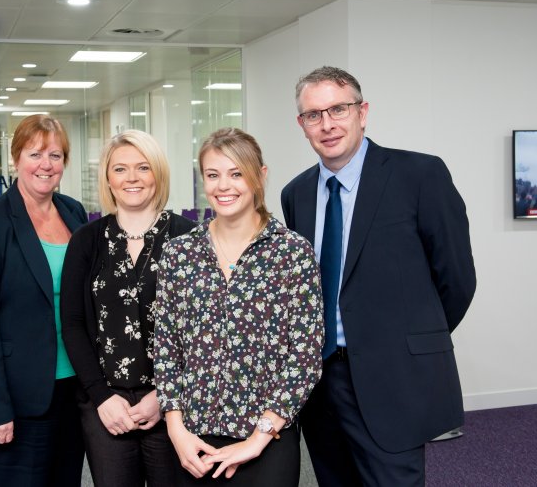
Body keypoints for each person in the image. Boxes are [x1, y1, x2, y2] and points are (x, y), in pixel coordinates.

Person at [281, 66, 477, 486]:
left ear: (362, 112)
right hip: (319, 383)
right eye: (314, 115)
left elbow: (456, 278)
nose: (327, 124)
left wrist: (411, 340)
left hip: (393, 379)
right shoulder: (295, 194)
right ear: (302, 125)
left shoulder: (420, 175)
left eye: (338, 109)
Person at [155, 128, 323, 486]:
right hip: (193, 438)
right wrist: (175, 428)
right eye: (213, 175)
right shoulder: (179, 253)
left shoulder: (292, 253)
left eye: (236, 173)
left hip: (266, 438)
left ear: (260, 176)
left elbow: (305, 354)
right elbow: (166, 348)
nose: (223, 186)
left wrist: (258, 438)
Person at [0, 114, 87, 486]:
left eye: (56, 155)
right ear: (16, 159)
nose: (46, 165)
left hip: (72, 389)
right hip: (17, 396)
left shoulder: (73, 212)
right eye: (35, 154)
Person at [61, 130, 195, 487]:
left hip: (175, 403)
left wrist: (166, 396)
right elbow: (73, 325)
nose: (132, 178)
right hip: (105, 404)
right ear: (108, 177)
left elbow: (203, 330)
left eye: (143, 167)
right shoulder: (86, 241)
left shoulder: (190, 237)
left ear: (158, 174)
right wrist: (102, 398)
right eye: (120, 169)